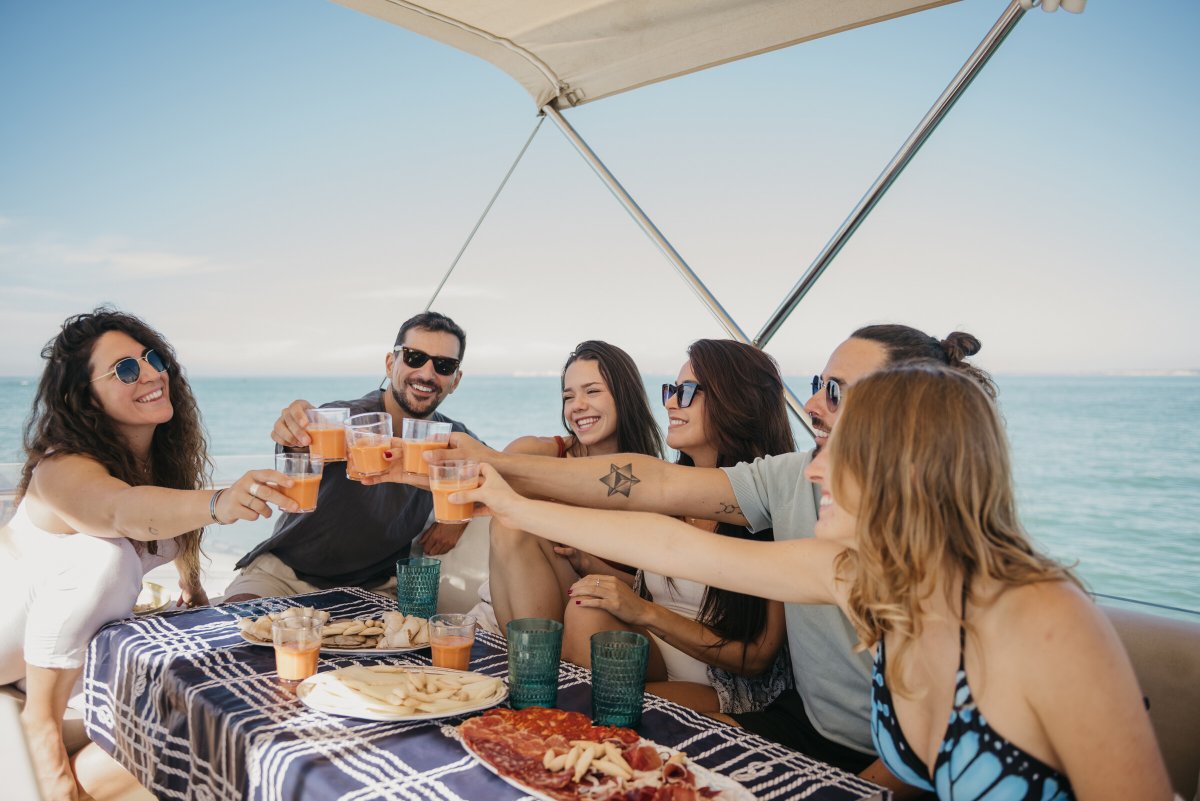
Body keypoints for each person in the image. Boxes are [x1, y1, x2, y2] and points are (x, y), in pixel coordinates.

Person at [463, 362, 1173, 800]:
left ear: (908, 467)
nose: (810, 470)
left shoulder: (1043, 618)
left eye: (838, 450)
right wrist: (513, 504)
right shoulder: (866, 576)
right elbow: (668, 538)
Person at [367, 323, 996, 786]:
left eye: (836, 390)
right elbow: (663, 512)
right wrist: (499, 483)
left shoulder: (997, 607)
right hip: (803, 726)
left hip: (819, 735)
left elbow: (922, 755)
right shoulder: (812, 518)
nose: (810, 407)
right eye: (814, 386)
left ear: (907, 424)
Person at [0, 308, 297, 801]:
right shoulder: (63, 467)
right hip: (11, 650)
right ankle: (41, 734)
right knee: (105, 558)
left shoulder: (155, 463)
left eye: (152, 357)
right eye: (125, 370)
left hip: (53, 660)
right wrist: (220, 503)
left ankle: (81, 782)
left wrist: (192, 586)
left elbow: (164, 523)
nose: (153, 373)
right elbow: (122, 512)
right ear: (84, 396)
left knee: (217, 716)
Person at [561, 339, 793, 716]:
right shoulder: (665, 493)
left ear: (734, 399)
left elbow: (757, 658)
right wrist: (591, 566)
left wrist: (645, 613)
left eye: (685, 392)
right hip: (658, 650)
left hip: (724, 680)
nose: (670, 402)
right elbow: (660, 589)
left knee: (603, 707)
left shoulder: (771, 508)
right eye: (671, 391)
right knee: (585, 608)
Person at [224, 311, 479, 603]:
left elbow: (503, 477)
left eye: (444, 365)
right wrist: (293, 434)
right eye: (414, 357)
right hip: (283, 575)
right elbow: (298, 451)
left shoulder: (455, 439)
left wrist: (460, 514)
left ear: (455, 380)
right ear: (389, 363)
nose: (426, 374)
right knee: (234, 632)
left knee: (403, 647)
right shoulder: (342, 419)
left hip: (374, 589)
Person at [487, 340, 664, 632]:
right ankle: (531, 662)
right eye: (569, 397)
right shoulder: (538, 452)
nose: (577, 406)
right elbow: (483, 485)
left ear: (625, 396)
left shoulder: (655, 481)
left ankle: (533, 664)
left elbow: (654, 594)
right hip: (532, 614)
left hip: (607, 620)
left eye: (592, 391)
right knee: (510, 524)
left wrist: (586, 562)